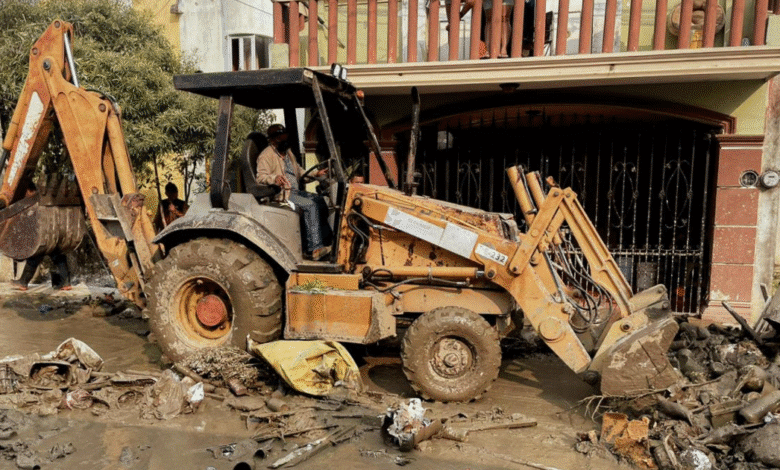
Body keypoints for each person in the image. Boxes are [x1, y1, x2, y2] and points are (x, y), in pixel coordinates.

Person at [256, 124, 333, 260]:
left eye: (285, 136)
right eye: (280, 137)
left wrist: (316, 173)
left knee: (321, 200)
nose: (284, 139)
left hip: (296, 192)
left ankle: (326, 242)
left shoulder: (288, 153)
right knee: (310, 205)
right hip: (283, 195)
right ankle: (315, 249)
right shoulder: (266, 155)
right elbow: (261, 177)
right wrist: (275, 178)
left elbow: (300, 172)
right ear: (273, 140)